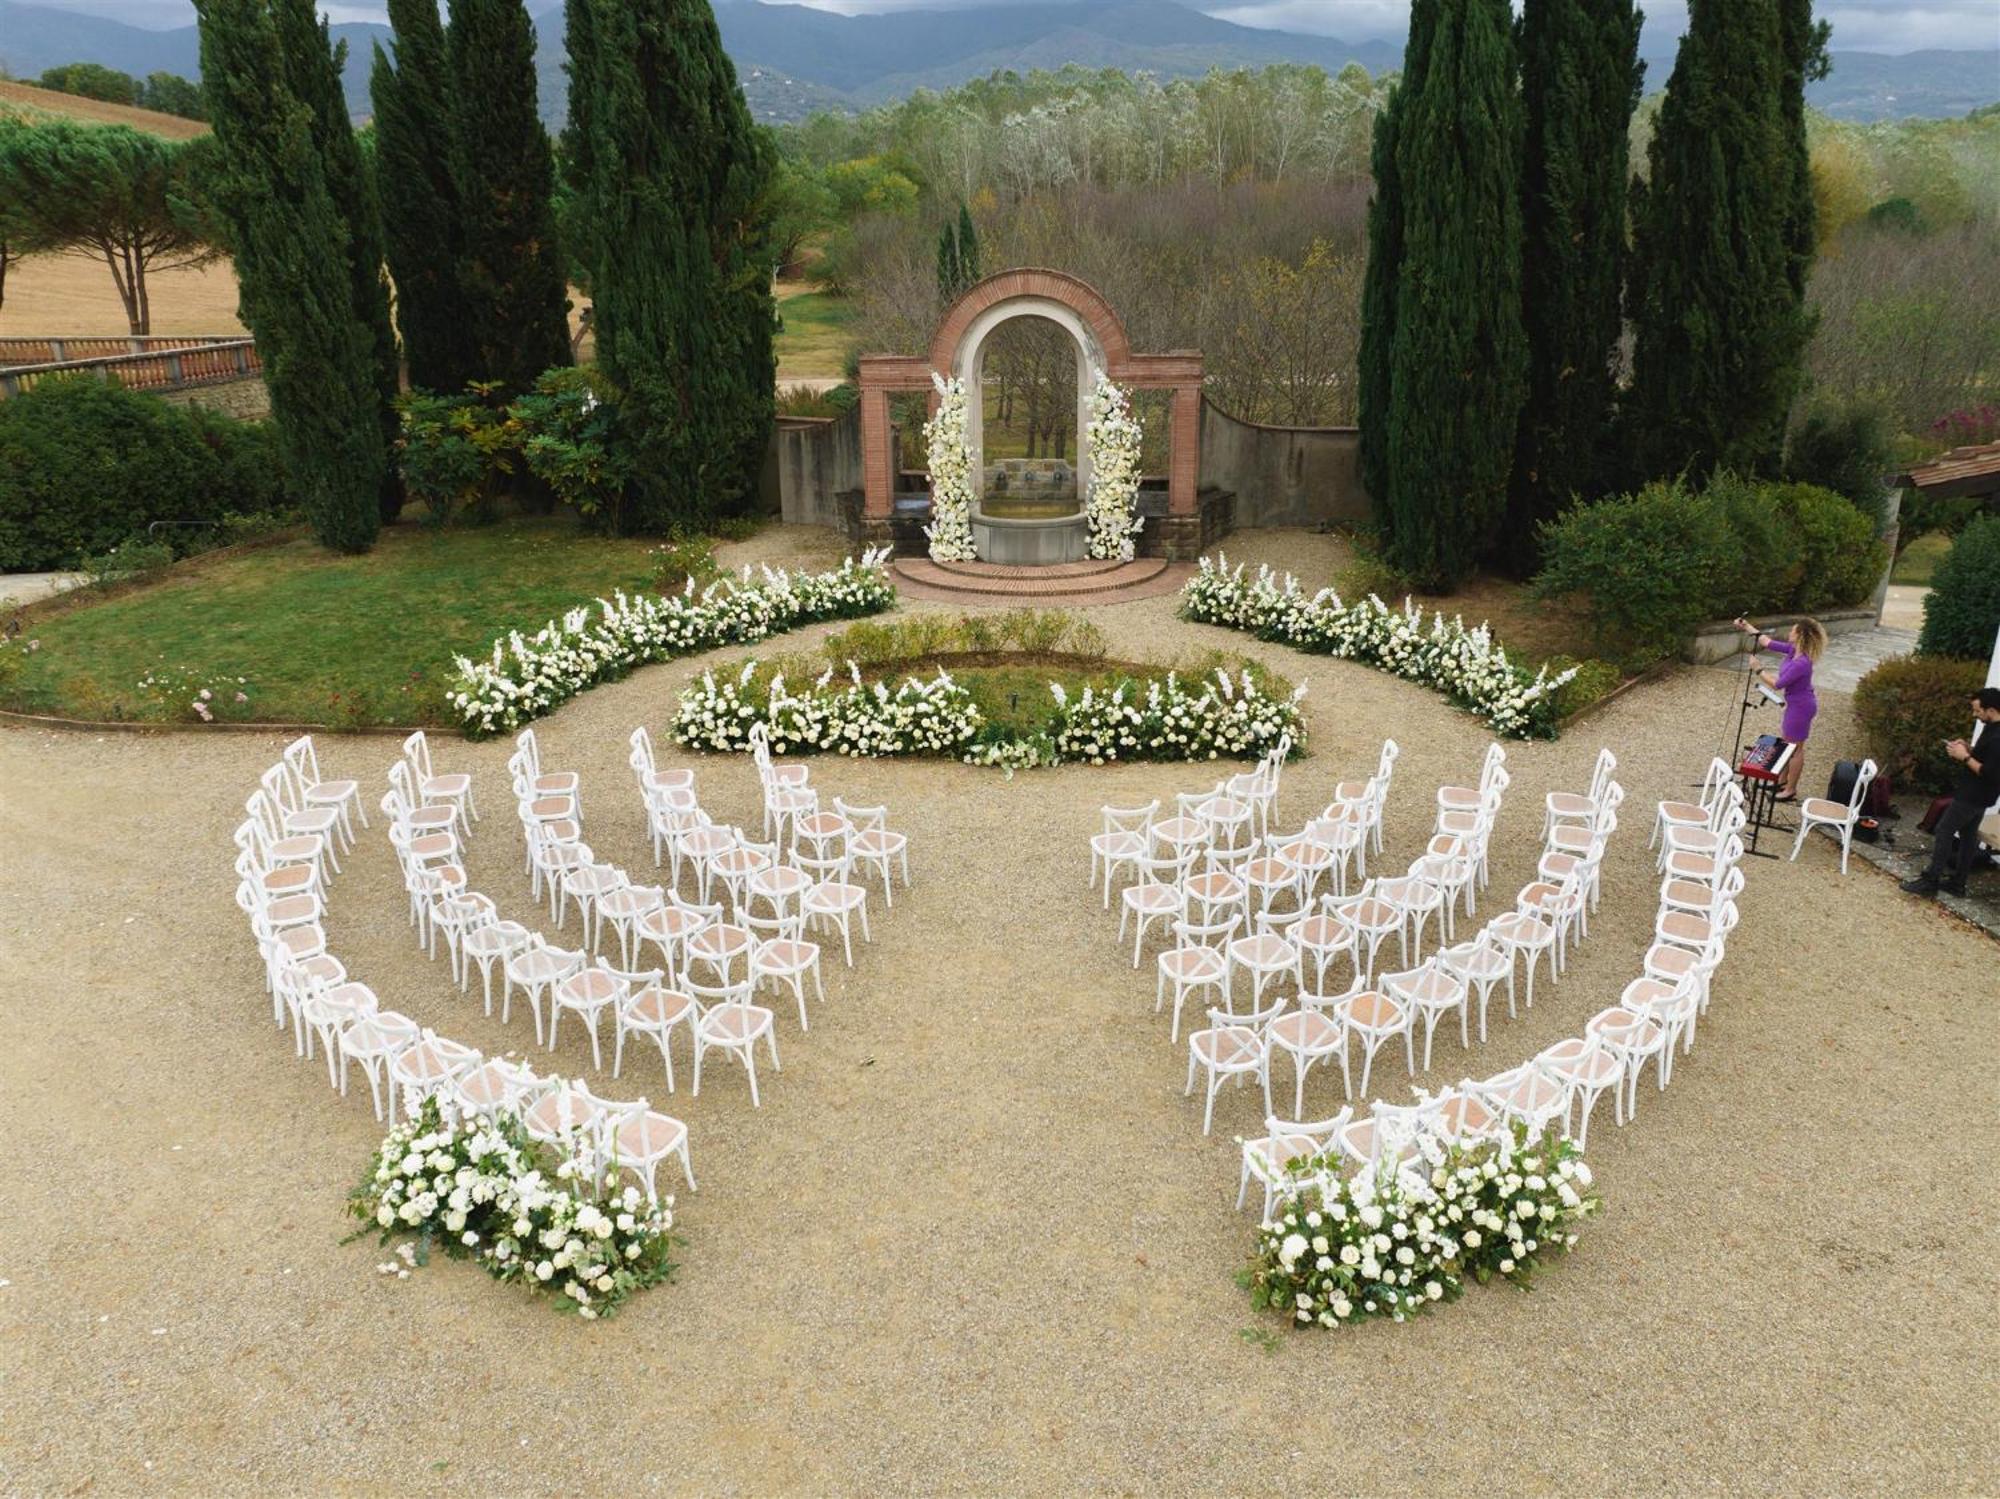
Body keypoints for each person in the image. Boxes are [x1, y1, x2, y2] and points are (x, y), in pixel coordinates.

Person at [1901, 686, 2000, 898]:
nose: (1975, 715)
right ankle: (1958, 884)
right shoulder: (1992, 727)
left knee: (1944, 831)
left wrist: (1963, 757)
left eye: (1978, 711)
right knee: (1967, 837)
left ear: (1991, 710)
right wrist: (1967, 748)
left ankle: (1931, 881)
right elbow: (1985, 758)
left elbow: (1990, 772)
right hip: (1979, 795)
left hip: (1973, 795)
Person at [1732, 616, 1824, 800]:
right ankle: (1781, 782)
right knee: (1787, 744)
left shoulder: (1802, 663)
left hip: (1801, 707)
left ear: (1800, 635)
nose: (1790, 632)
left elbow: (1777, 684)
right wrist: (1746, 626)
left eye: (1793, 630)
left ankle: (1790, 790)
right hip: (1797, 704)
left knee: (1795, 749)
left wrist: (1759, 670)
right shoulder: (1793, 651)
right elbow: (1767, 642)